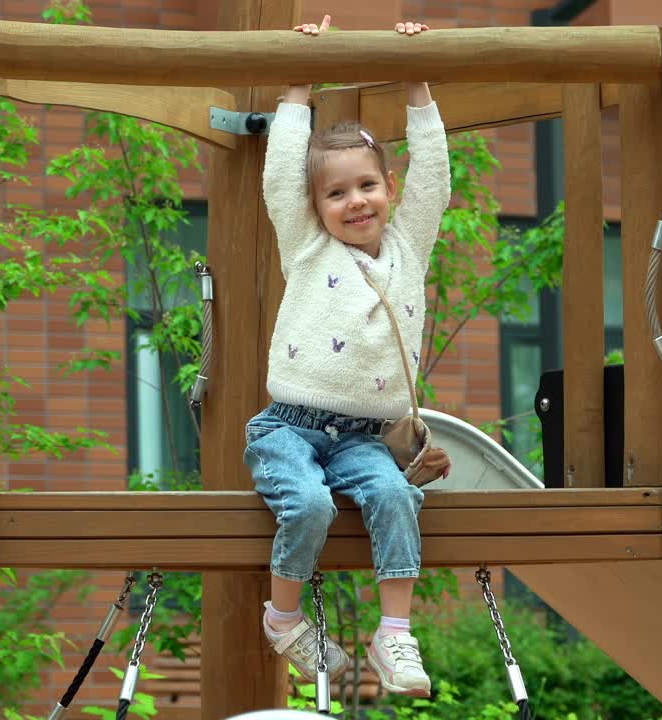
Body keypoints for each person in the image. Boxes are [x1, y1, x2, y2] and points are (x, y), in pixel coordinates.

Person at [242, 14, 450, 699]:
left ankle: (394, 634)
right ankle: (283, 617)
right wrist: (299, 86)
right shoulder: (307, 247)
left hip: (365, 440)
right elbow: (280, 176)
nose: (354, 201)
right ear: (316, 208)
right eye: (335, 193)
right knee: (308, 506)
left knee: (395, 496)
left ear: (388, 189)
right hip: (292, 426)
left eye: (366, 185)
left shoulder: (408, 248)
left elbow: (435, 180)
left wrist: (416, 85)